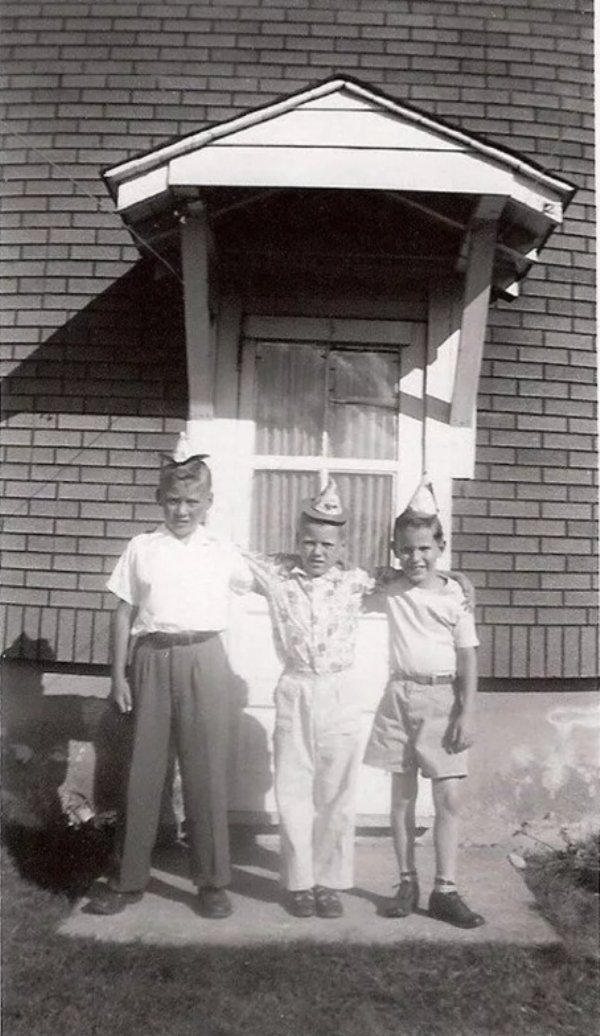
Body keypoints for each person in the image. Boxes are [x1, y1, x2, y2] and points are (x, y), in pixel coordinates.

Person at [87, 434, 251, 919]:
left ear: (209, 504)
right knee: (143, 771)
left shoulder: (223, 550)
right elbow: (123, 613)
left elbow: (273, 578)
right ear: (160, 499)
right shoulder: (142, 548)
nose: (182, 511)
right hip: (151, 660)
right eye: (174, 501)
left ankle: (211, 882)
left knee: (204, 771)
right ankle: (127, 878)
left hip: (204, 658)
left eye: (192, 502)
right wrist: (118, 676)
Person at [243, 480, 373, 919]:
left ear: (342, 546)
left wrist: (455, 577)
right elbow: (227, 555)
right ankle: (299, 882)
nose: (317, 552)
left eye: (327, 544)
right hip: (295, 687)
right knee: (294, 789)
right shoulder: (278, 574)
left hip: (339, 690)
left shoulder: (357, 581)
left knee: (336, 791)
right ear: (297, 541)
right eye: (309, 542)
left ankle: (328, 881)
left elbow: (410, 578)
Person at [364, 478, 485, 928]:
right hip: (398, 695)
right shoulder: (392, 588)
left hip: (441, 698)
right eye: (406, 549)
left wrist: (467, 711)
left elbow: (467, 655)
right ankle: (406, 880)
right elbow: (354, 585)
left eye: (425, 549)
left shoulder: (455, 596)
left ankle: (446, 889)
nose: (416, 558)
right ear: (395, 550)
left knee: (448, 795)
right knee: (401, 796)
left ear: (440, 547)